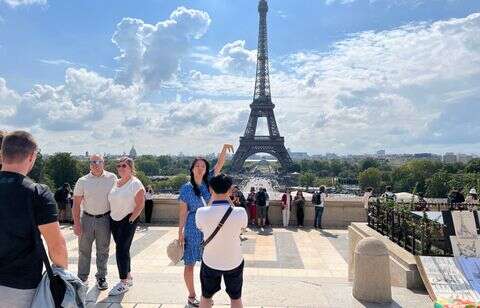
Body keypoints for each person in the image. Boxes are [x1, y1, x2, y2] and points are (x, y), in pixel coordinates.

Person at [0, 131, 68, 307]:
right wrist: (63, 278)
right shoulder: (37, 193)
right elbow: (56, 245)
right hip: (19, 286)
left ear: (2, 154)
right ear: (31, 156)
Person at [178, 144, 233, 307]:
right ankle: (192, 295)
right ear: (192, 168)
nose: (200, 168)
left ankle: (205, 296)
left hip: (209, 226)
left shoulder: (210, 180)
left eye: (203, 165)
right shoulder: (186, 189)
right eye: (197, 165)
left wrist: (223, 149)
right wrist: (179, 232)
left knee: (207, 265)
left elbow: (219, 164)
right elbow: (183, 213)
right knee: (189, 264)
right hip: (193, 228)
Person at [196, 173, 248, 308]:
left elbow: (201, 227)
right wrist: (229, 199)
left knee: (206, 298)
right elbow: (242, 227)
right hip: (234, 261)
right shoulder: (241, 212)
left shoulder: (201, 212)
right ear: (230, 190)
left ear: (210, 189)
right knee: (236, 299)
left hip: (210, 261)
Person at [73, 154, 117, 290]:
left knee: (103, 250)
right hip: (86, 218)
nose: (96, 164)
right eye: (93, 162)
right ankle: (82, 277)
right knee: (84, 250)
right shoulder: (82, 180)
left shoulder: (112, 178)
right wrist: (77, 224)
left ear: (104, 163)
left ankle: (101, 277)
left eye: (99, 161)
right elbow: (75, 204)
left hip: (105, 218)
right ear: (89, 164)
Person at [108, 157, 146, 296]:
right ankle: (128, 277)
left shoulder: (135, 183)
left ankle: (123, 282)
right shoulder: (115, 182)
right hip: (114, 220)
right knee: (124, 249)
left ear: (130, 167)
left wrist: (130, 220)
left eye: (124, 165)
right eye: (118, 166)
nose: (121, 168)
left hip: (127, 220)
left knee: (120, 250)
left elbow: (141, 204)